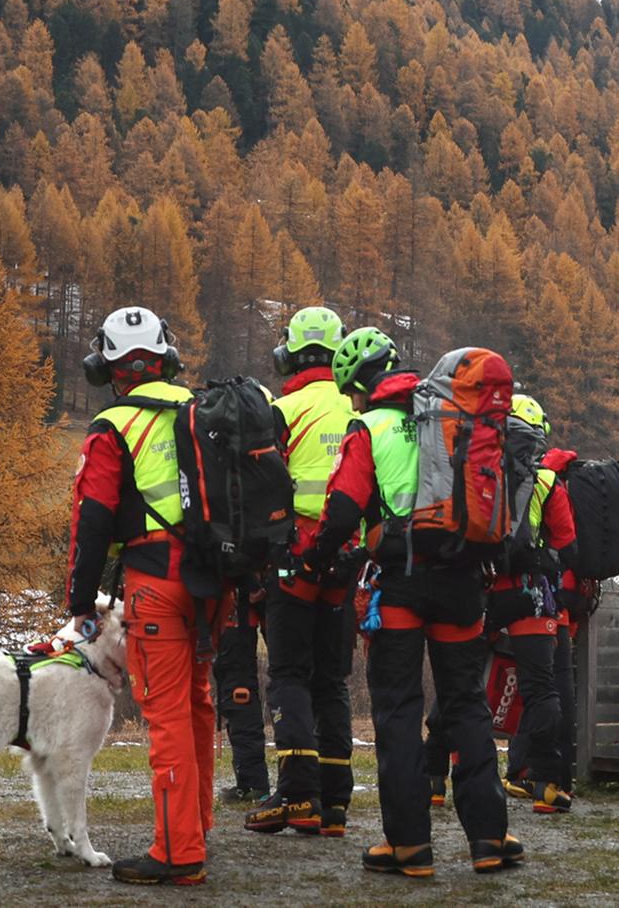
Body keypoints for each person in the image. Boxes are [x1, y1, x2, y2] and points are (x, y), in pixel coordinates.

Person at [297, 332, 525, 877]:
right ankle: (489, 838)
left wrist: (314, 559)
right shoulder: (447, 416)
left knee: (397, 711)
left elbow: (345, 508)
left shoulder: (368, 425)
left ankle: (408, 846)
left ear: (357, 388)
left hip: (401, 581)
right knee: (466, 704)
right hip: (463, 579)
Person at [62, 306, 218, 885]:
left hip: (156, 583)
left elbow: (93, 520)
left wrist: (82, 601)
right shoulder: (202, 410)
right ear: (166, 359)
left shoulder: (113, 428)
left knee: (168, 714)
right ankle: (196, 826)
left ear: (108, 367)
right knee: (199, 704)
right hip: (214, 582)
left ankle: (179, 852)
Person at [424, 392, 580, 814]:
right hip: (529, 594)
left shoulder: (475, 473)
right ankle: (545, 782)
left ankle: (435, 777)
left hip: (483, 591)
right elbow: (568, 546)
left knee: (459, 681)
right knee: (540, 688)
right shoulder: (547, 481)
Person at [246, 306, 359, 838]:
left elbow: (260, 489)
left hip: (292, 559)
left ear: (287, 354)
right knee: (332, 679)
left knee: (289, 674)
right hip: (346, 558)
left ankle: (297, 795)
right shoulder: (358, 407)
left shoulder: (279, 408)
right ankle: (335, 804)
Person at [215, 589, 267, 802]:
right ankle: (247, 782)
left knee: (240, 700)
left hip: (239, 627)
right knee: (234, 705)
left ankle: (255, 784)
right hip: (230, 628)